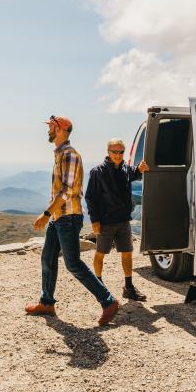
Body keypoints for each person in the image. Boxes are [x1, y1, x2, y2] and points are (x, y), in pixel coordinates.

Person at [25, 115, 120, 326]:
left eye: (51, 126)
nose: (48, 129)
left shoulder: (69, 155)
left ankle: (108, 301)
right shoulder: (60, 154)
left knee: (73, 264)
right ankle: (47, 302)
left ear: (61, 129)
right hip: (60, 217)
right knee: (48, 257)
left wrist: (47, 212)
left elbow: (67, 191)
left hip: (67, 217)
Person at [85, 138, 149, 301]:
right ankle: (98, 287)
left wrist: (140, 169)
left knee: (127, 253)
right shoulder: (97, 172)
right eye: (115, 152)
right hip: (105, 222)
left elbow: (134, 172)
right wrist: (94, 220)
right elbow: (90, 197)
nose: (118, 155)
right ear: (108, 152)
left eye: (121, 152)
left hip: (123, 221)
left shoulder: (126, 169)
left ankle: (128, 287)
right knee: (100, 253)